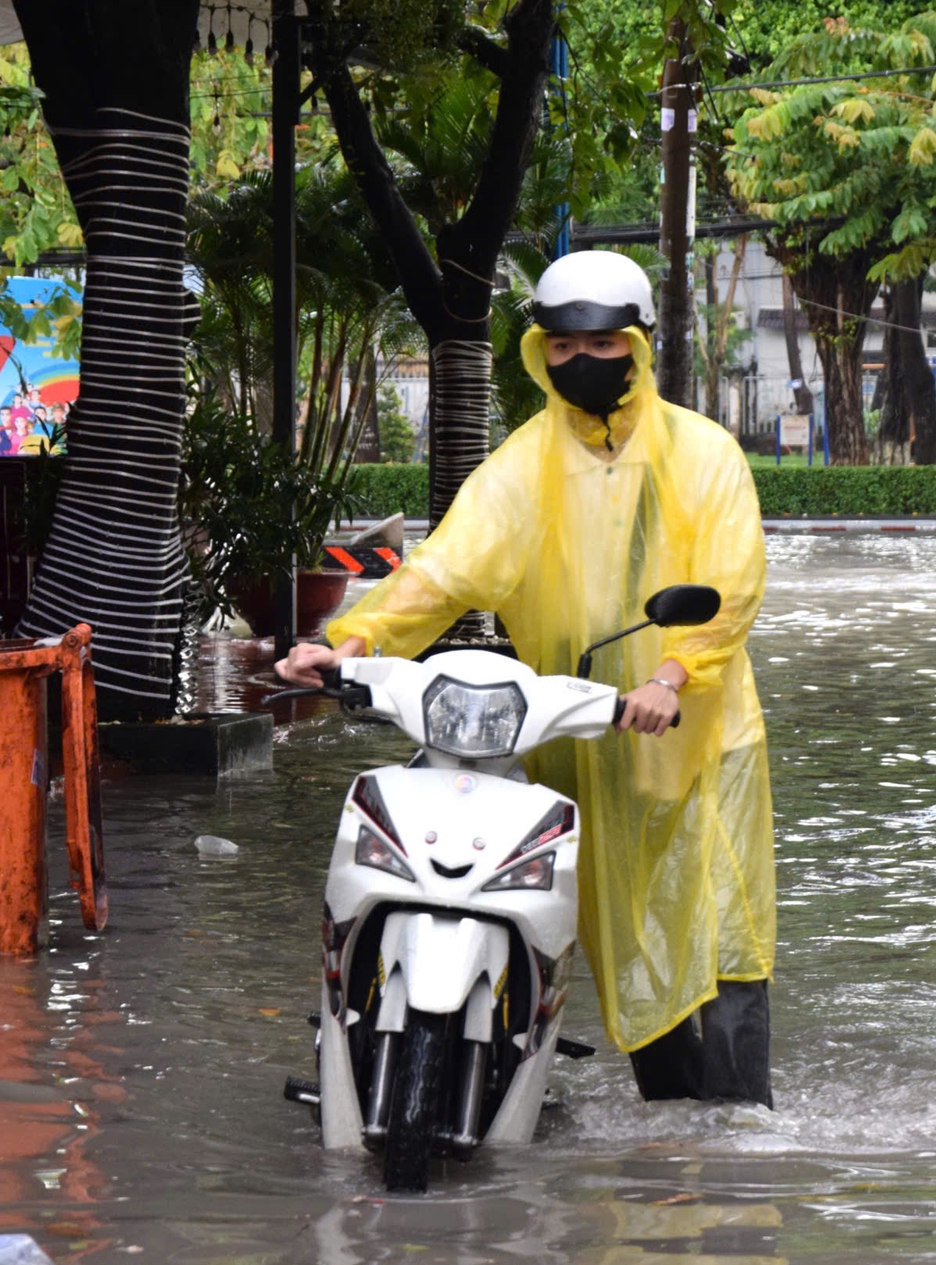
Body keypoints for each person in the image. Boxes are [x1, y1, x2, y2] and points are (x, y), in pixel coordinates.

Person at [279, 250, 778, 1107]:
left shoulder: (704, 455)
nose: (583, 360)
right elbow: (444, 571)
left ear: (639, 346)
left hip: (700, 736)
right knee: (625, 942)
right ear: (540, 350)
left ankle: (737, 1136)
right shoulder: (524, 464)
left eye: (603, 343)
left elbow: (729, 588)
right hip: (583, 734)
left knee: (723, 935)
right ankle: (671, 1138)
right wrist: (350, 643)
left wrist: (671, 676)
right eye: (563, 345)